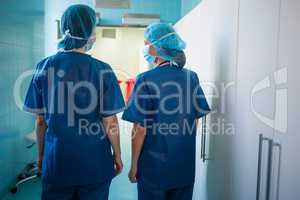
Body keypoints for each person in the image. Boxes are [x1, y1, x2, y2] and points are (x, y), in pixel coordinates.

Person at [23, 4, 125, 200]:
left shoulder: (44, 67)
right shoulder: (103, 70)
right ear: (90, 33)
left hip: (57, 162)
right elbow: (110, 121)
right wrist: (117, 155)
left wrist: (42, 156)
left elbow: (40, 121)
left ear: (64, 29)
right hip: (95, 164)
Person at [122, 22, 211, 200]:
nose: (145, 47)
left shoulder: (145, 79)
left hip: (153, 168)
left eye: (147, 43)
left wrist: (134, 166)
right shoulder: (191, 77)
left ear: (157, 47)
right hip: (183, 165)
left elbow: (140, 129)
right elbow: (194, 120)